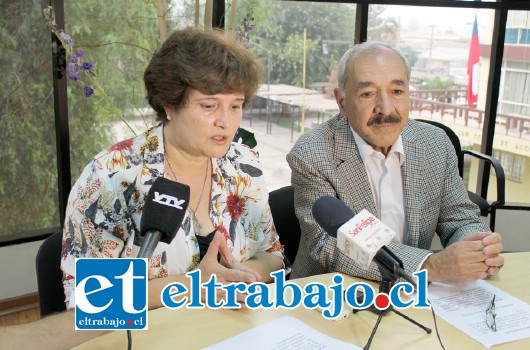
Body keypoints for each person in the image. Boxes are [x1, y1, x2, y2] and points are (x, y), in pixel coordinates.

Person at [1, 26, 285, 349]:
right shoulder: (111, 177)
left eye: (235, 106)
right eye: (209, 106)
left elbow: (272, 254)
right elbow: (88, 304)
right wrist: (193, 286)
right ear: (169, 103)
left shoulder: (243, 164)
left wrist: (243, 277)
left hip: (234, 335)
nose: (227, 122)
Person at [286, 41, 504, 284]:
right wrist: (429, 267)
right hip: (333, 297)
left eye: (397, 91)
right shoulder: (312, 153)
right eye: (367, 94)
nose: (385, 108)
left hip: (415, 296)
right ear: (342, 102)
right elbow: (330, 245)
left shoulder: (434, 143)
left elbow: (459, 217)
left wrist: (477, 247)